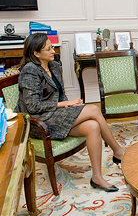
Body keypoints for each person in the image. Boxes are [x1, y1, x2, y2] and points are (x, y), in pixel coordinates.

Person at [16, 33, 125, 193]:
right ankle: (119, 152)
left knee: (93, 126)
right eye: (48, 49)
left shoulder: (53, 65)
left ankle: (97, 177)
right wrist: (66, 104)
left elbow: (60, 94)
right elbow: (33, 106)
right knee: (94, 109)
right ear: (36, 53)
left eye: (52, 47)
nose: (53, 51)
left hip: (55, 115)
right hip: (39, 122)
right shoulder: (30, 71)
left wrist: (69, 107)